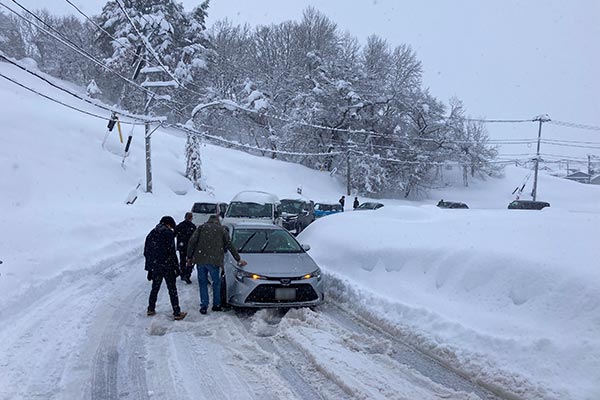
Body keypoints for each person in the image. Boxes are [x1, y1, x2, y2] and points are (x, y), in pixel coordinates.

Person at [187, 215, 247, 314]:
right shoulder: (221, 230)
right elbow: (229, 244)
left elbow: (192, 241)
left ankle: (204, 305)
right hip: (215, 261)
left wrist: (189, 257)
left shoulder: (201, 228)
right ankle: (216, 304)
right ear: (218, 221)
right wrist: (238, 259)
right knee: (216, 282)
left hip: (201, 259)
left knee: (202, 283)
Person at [144, 216, 187, 320]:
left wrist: (149, 268)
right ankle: (177, 312)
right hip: (167, 266)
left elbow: (147, 252)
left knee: (155, 288)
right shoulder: (168, 234)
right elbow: (172, 252)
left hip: (155, 265)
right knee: (172, 289)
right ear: (168, 224)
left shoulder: (152, 233)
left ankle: (151, 308)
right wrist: (177, 267)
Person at [175, 212, 196, 284]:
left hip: (182, 246)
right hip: (190, 246)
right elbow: (195, 237)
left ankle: (182, 273)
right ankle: (187, 274)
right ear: (191, 218)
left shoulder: (180, 225)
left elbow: (174, 233)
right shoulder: (192, 226)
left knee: (182, 260)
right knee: (190, 260)